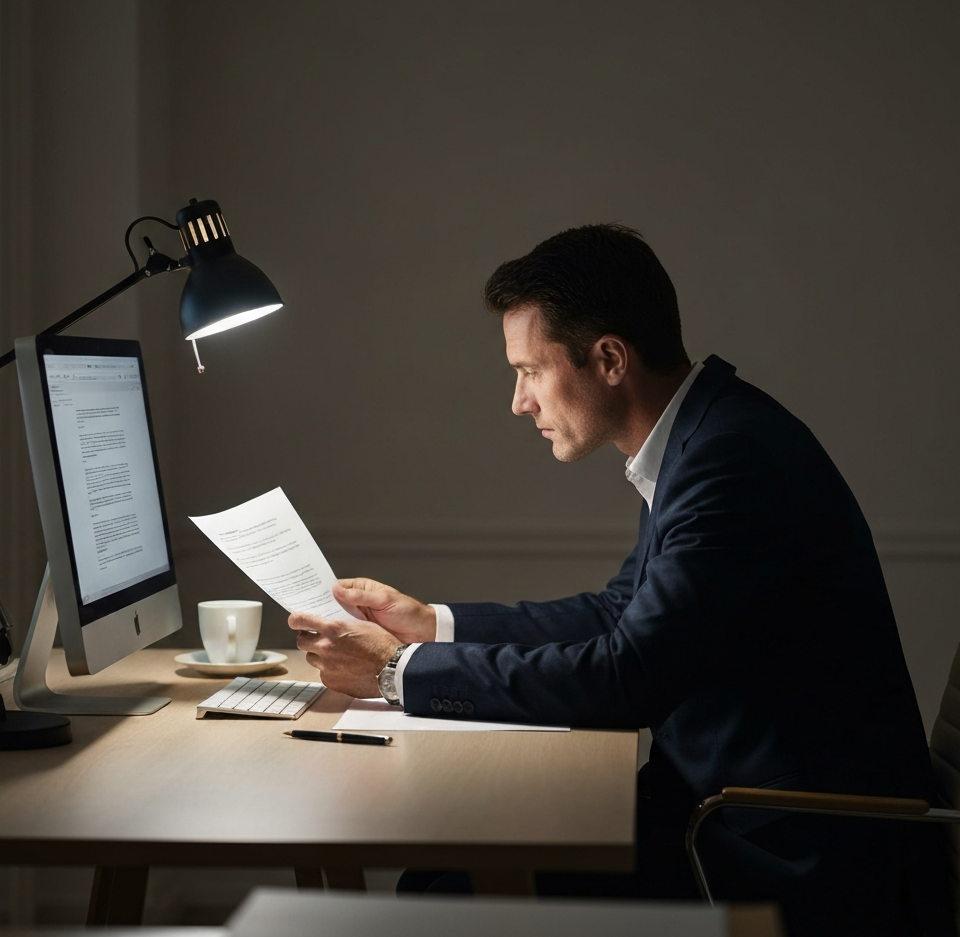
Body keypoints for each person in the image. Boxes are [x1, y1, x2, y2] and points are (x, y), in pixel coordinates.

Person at [289, 224, 953, 936]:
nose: (520, 402)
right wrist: (431, 625)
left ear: (608, 358)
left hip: (793, 854)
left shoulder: (728, 460)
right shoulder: (707, 437)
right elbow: (620, 613)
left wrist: (396, 671)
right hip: (734, 814)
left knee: (449, 890)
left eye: (530, 371)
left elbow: (629, 676)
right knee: (443, 876)